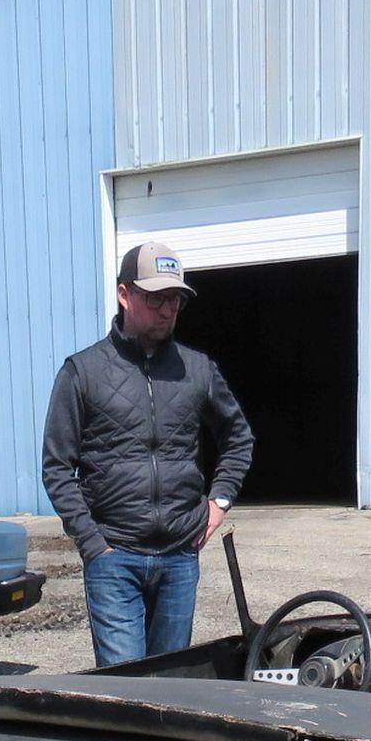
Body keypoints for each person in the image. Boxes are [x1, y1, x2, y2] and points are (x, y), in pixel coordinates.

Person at [42, 242, 256, 666]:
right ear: (125, 295)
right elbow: (57, 466)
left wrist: (219, 502)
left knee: (171, 685)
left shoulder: (197, 370)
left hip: (180, 555)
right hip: (114, 557)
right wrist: (91, 540)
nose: (167, 310)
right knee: (127, 687)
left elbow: (238, 437)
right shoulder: (82, 372)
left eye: (174, 300)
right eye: (156, 298)